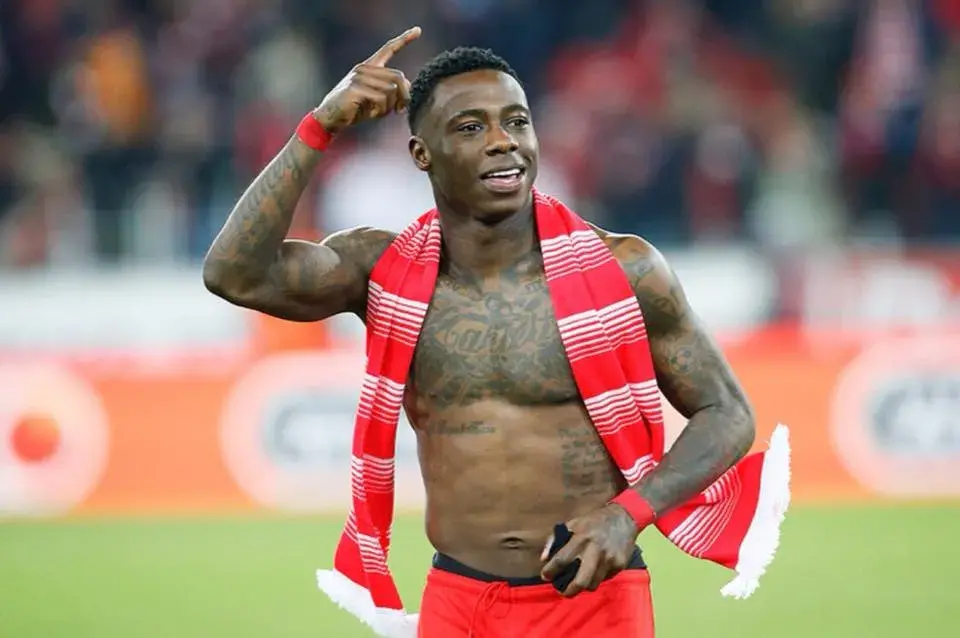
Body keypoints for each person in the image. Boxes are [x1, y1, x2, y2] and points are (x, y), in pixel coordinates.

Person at [203, 27, 789, 638]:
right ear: (422, 154)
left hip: (593, 606)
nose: (503, 141)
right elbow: (233, 274)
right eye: (470, 127)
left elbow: (727, 411)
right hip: (458, 603)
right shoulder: (380, 270)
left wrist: (628, 514)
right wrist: (320, 126)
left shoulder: (625, 269)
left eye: (516, 121)